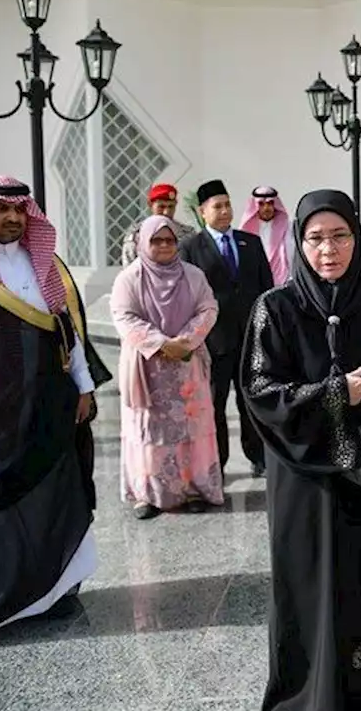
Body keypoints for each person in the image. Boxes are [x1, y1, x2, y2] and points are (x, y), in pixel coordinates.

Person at [241, 189, 361, 711]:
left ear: (357, 236)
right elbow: (259, 392)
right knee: (321, 581)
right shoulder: (274, 309)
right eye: (316, 239)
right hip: (310, 479)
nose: (329, 250)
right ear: (300, 243)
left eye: (340, 236)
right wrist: (332, 394)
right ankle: (321, 685)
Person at [0, 175, 111, 657]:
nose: (13, 218)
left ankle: (50, 594)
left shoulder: (47, 264)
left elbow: (67, 332)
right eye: (1, 209)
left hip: (48, 410)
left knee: (53, 500)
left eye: (20, 210)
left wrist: (84, 387)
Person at [111, 215, 224, 519]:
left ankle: (194, 490)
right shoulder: (129, 279)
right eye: (156, 240)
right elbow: (124, 316)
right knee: (150, 431)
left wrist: (185, 341)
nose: (163, 246)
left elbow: (209, 307)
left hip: (187, 368)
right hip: (147, 370)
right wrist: (161, 343)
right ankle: (147, 494)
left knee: (191, 429)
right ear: (142, 243)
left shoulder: (193, 275)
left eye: (169, 240)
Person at [179, 179, 274, 478]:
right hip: (213, 342)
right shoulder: (191, 247)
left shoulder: (250, 242)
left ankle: (258, 456)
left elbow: (266, 289)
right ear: (202, 211)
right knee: (214, 406)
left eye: (227, 204)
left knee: (251, 401)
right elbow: (186, 296)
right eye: (217, 206)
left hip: (249, 339)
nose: (224, 211)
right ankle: (216, 463)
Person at [121, 182, 197, 266]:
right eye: (161, 207)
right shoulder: (137, 233)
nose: (166, 212)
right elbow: (129, 266)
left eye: (171, 207)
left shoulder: (188, 233)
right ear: (150, 205)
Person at [240, 185, 293, 287]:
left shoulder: (288, 227)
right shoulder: (245, 229)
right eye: (261, 204)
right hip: (255, 283)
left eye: (270, 203)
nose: (266, 208)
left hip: (283, 282)